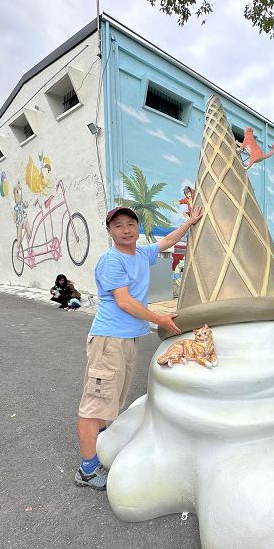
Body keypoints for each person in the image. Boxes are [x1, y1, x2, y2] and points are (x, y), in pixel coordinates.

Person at [75, 204, 203, 490]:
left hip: (128, 339)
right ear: (109, 231)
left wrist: (191, 222)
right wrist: (159, 319)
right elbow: (124, 301)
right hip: (110, 340)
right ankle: (87, 469)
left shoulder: (141, 253)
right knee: (96, 405)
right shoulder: (112, 260)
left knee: (112, 401)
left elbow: (167, 241)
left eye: (130, 224)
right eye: (118, 225)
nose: (126, 229)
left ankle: (105, 449)